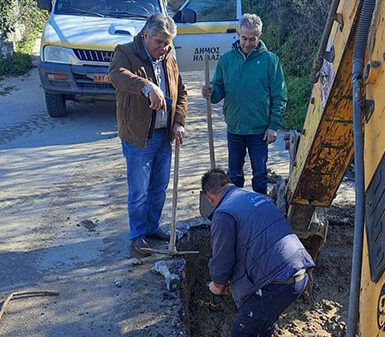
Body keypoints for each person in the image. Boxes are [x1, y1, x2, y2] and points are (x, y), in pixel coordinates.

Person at [109, 14, 187, 256]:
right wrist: (146, 85)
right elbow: (116, 75)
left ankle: (152, 227)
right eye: (160, 42)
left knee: (158, 188)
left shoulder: (169, 58)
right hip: (139, 138)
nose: (164, 47)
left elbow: (181, 92)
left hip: (164, 136)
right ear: (145, 36)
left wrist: (178, 122)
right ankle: (138, 235)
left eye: (167, 42)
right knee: (139, 191)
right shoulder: (125, 52)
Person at [201, 169, 314, 336]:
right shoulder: (256, 197)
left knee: (242, 332)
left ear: (209, 198)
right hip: (298, 273)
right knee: (262, 326)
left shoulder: (223, 214)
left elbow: (222, 257)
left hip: (277, 282)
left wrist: (218, 283)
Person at [202, 13, 287, 195]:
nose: (247, 43)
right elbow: (218, 91)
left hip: (259, 131)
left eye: (252, 39)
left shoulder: (270, 61)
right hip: (235, 129)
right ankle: (237, 211)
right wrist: (211, 92)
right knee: (234, 175)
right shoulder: (226, 60)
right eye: (244, 38)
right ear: (238, 34)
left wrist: (272, 126)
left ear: (260, 37)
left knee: (260, 175)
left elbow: (279, 96)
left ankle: (260, 212)